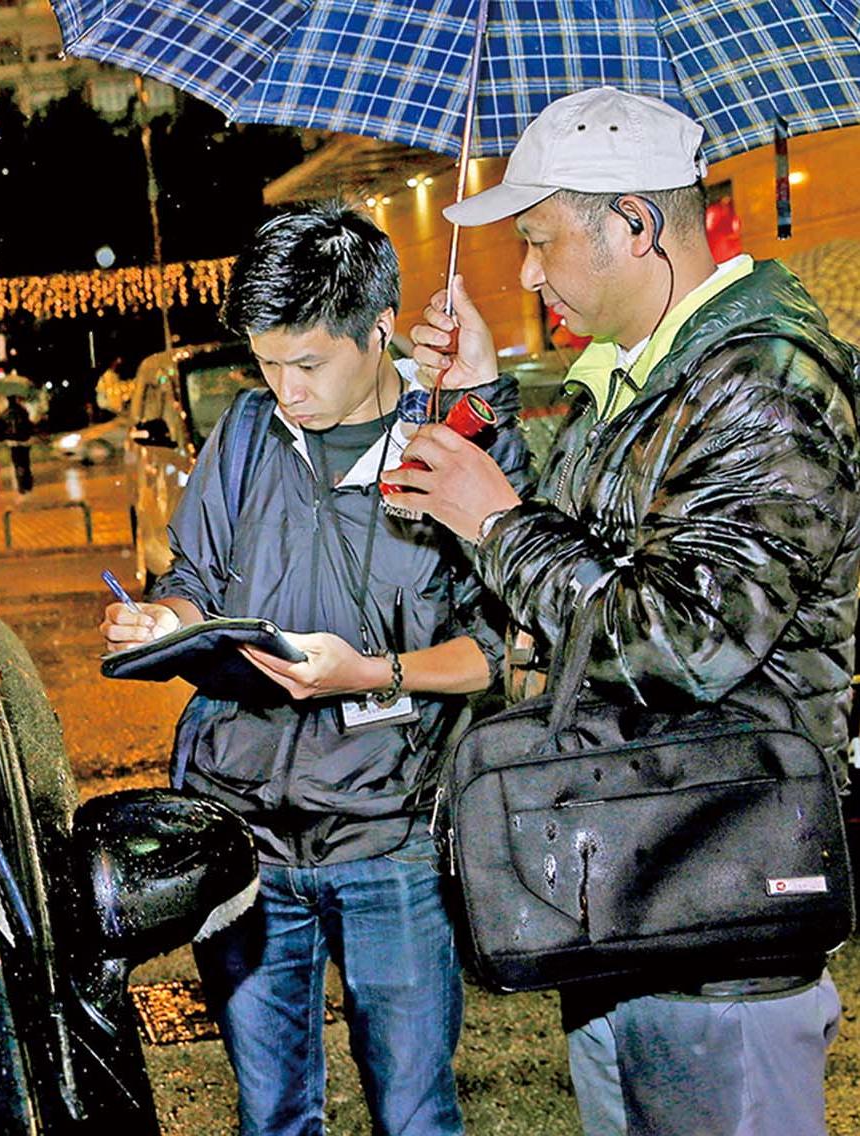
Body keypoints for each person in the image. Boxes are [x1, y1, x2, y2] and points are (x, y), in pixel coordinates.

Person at [394, 86, 860, 1136]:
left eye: (539, 240)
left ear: (635, 226)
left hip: (719, 894)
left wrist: (498, 522)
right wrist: (485, 411)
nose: (523, 272)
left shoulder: (757, 381)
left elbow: (680, 638)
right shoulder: (637, 378)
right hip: (636, 872)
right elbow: (557, 587)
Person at [102, 201, 530, 1136]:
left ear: (380, 335)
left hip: (391, 836)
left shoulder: (458, 446)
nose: (284, 390)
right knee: (272, 1116)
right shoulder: (249, 434)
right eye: (267, 364)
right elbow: (195, 578)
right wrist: (161, 620)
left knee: (415, 1110)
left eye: (308, 364)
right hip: (243, 836)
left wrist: (375, 675)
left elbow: (503, 651)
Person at [3, 395, 35, 495]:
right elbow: (29, 424)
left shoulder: (6, 413)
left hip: (13, 443)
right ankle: (28, 484)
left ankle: (21, 486)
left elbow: (4, 428)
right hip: (25, 441)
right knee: (26, 464)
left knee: (17, 465)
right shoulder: (23, 410)